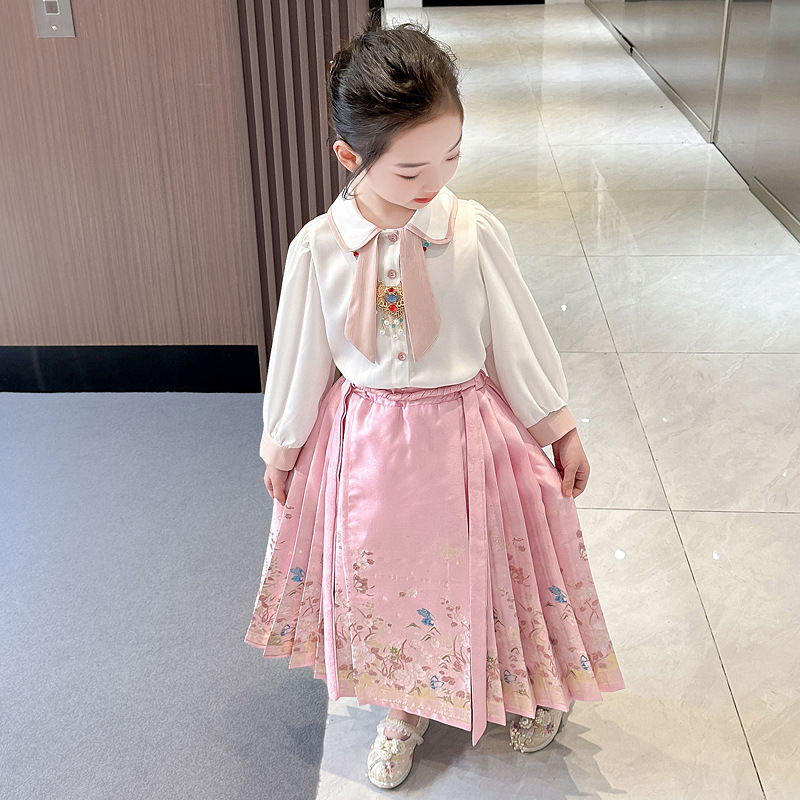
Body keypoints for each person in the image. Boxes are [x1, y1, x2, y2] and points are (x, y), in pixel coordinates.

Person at [244, 14, 625, 790]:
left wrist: (558, 427)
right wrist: (282, 446)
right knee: (390, 580)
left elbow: (515, 336)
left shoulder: (471, 231)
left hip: (466, 432)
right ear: (351, 157)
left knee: (494, 566)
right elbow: (302, 356)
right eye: (412, 168)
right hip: (369, 448)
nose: (436, 181)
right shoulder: (320, 247)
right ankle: (404, 703)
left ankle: (520, 684)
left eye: (451, 155)